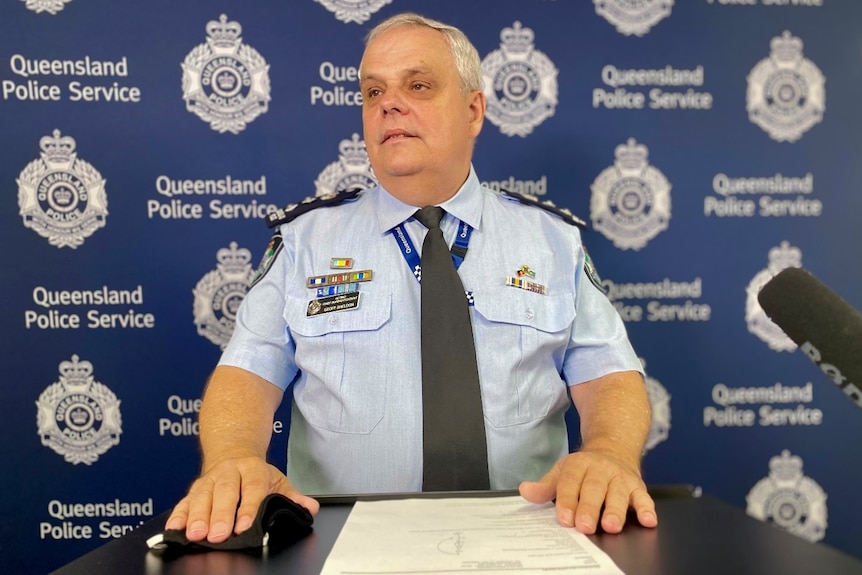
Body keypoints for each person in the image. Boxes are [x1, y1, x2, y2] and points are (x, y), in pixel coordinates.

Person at [166, 12, 657, 545]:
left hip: (526, 536)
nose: (388, 103)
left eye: (418, 85)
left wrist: (608, 454)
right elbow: (247, 372)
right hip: (344, 539)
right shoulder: (306, 242)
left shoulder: (551, 241)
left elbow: (609, 375)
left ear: (473, 110)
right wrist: (235, 459)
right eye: (372, 90)